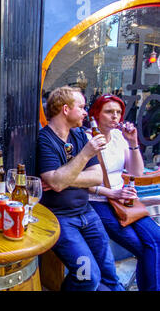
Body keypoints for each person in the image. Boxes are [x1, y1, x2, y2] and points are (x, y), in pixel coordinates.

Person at [37, 86, 125, 291]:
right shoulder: (45, 140)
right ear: (65, 109)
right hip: (61, 219)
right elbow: (56, 183)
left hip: (88, 213)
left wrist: (62, 177)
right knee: (87, 277)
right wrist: (85, 154)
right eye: (82, 107)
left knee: (110, 276)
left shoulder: (79, 136)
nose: (86, 112)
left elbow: (96, 177)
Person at [87, 94, 160, 291]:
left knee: (156, 239)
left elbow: (136, 171)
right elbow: (79, 181)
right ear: (96, 114)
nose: (115, 116)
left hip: (124, 201)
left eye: (118, 112)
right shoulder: (87, 138)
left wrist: (133, 142)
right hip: (98, 201)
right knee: (143, 247)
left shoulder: (120, 137)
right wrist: (111, 194)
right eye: (109, 112)